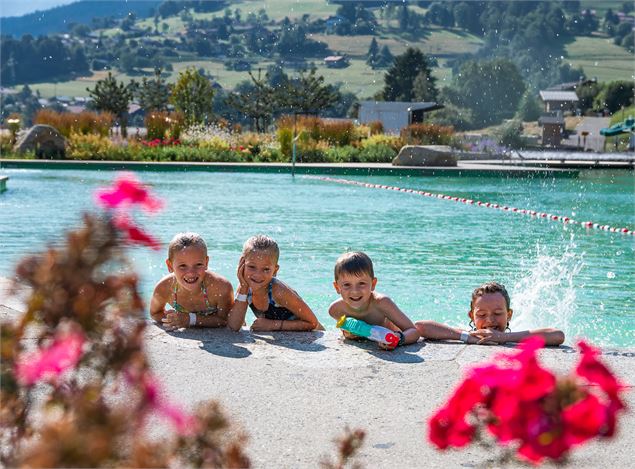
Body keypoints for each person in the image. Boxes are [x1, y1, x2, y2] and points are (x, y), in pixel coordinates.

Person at [415, 282, 565, 346]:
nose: (490, 320)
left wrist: (504, 337)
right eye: (481, 315)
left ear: (509, 314)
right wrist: (466, 337)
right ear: (471, 316)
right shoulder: (469, 334)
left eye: (498, 313)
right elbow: (421, 327)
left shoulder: (516, 336)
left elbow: (557, 335)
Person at [227, 235, 322, 332]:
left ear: (275, 270)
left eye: (266, 269)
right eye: (252, 267)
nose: (258, 275)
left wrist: (272, 325)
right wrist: (243, 288)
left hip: (315, 335)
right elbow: (233, 327)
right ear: (242, 263)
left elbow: (313, 323)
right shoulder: (245, 287)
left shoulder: (278, 291)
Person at [328, 251, 419, 350]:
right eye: (347, 285)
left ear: (373, 284)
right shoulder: (335, 310)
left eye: (362, 283)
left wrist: (398, 339)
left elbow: (414, 331)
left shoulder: (382, 303)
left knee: (422, 326)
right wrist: (348, 334)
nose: (355, 291)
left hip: (394, 335)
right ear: (337, 287)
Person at [150, 233, 233, 330]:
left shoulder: (220, 287)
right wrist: (173, 320)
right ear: (170, 265)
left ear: (206, 263)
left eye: (198, 264)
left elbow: (226, 320)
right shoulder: (164, 288)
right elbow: (155, 313)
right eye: (183, 266)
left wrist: (190, 320)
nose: (191, 273)